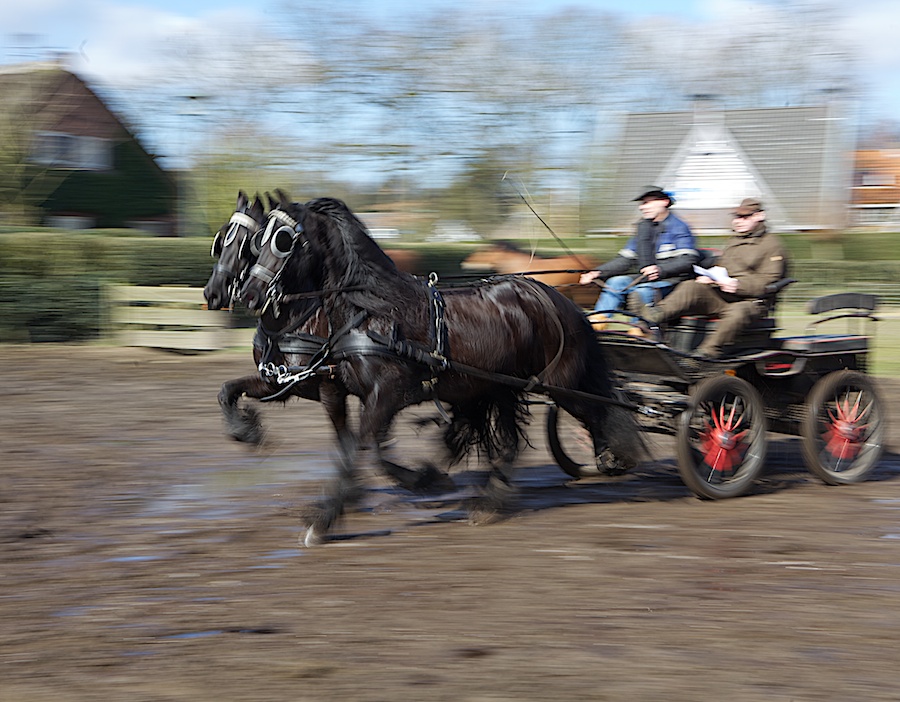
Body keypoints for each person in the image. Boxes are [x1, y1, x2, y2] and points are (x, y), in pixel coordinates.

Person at [640, 197, 788, 358]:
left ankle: (706, 353)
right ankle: (650, 320)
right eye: (737, 217)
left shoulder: (772, 245)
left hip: (752, 303)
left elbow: (769, 281)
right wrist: (711, 277)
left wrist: (738, 285)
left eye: (745, 217)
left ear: (759, 216)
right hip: (723, 296)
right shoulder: (734, 241)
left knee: (738, 311)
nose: (738, 221)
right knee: (691, 286)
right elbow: (723, 266)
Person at [580, 186, 698, 331]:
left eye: (648, 202)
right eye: (642, 203)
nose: (642, 207)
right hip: (646, 278)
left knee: (642, 290)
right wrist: (598, 272)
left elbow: (687, 260)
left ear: (665, 202)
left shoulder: (679, 228)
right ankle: (597, 323)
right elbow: (626, 259)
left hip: (672, 281)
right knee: (615, 282)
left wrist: (660, 270)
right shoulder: (643, 228)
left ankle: (638, 329)